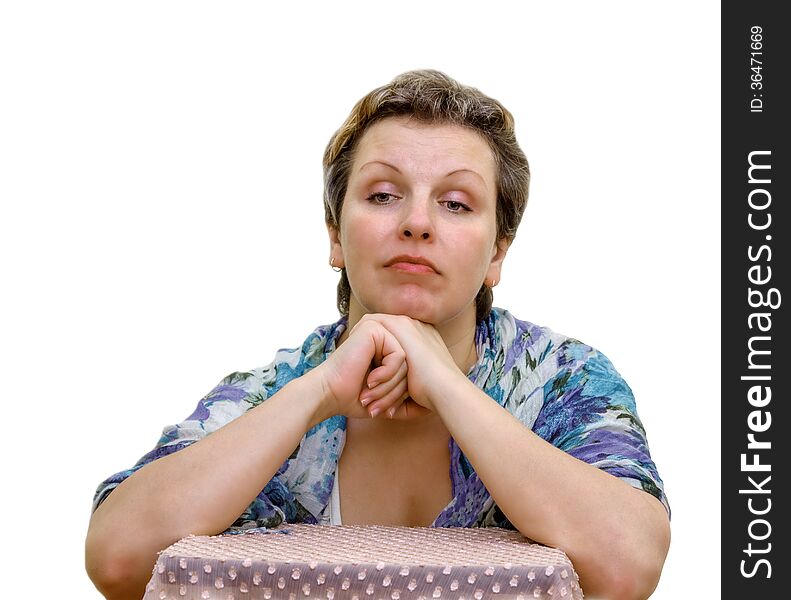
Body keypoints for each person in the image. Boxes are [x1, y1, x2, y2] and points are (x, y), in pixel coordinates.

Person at [85, 70, 670, 600]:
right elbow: (117, 559)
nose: (416, 223)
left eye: (457, 203)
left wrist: (444, 382)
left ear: (497, 253)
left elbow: (628, 565)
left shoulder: (563, 380)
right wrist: (317, 394)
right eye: (384, 195)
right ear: (336, 236)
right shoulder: (275, 391)